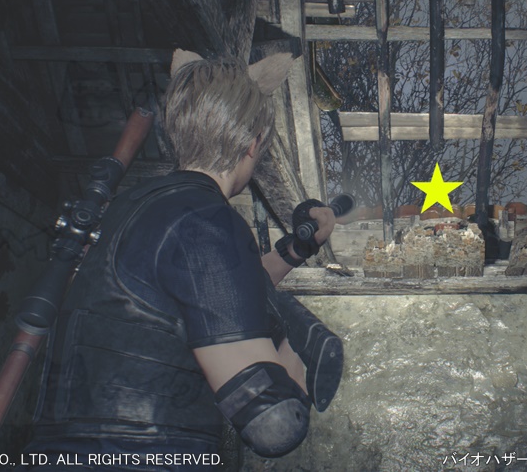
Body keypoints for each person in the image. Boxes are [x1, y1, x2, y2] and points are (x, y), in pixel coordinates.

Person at [21, 50, 337, 470]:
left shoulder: (135, 206)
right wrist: (302, 347)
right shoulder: (207, 220)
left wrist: (297, 249)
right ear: (253, 142)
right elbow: (273, 423)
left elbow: (213, 289)